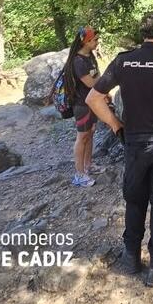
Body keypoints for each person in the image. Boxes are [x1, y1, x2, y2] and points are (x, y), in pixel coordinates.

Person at [88, 13, 153, 287]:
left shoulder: (123, 61)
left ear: (142, 34)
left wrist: (115, 125)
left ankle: (131, 258)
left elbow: (93, 98)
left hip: (133, 143)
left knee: (134, 199)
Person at [63, 26, 102, 187]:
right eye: (95, 40)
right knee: (82, 137)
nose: (97, 42)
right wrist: (104, 87)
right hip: (82, 104)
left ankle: (88, 165)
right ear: (86, 41)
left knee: (90, 133)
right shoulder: (78, 62)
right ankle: (79, 174)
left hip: (93, 102)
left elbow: (98, 75)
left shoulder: (90, 56)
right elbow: (91, 82)